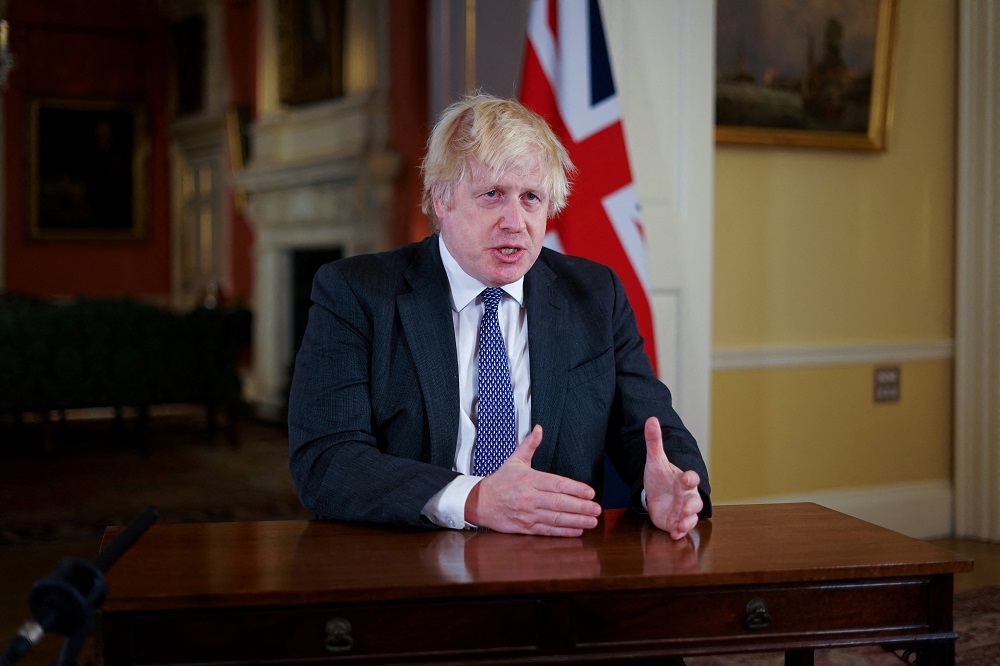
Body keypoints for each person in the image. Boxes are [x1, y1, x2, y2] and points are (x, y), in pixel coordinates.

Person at [288, 93, 710, 539]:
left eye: (531, 198)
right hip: (410, 562)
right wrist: (475, 499)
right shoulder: (355, 293)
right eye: (492, 195)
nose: (515, 221)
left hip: (558, 571)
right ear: (441, 199)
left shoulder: (594, 295)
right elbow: (327, 461)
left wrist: (665, 492)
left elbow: (650, 432)